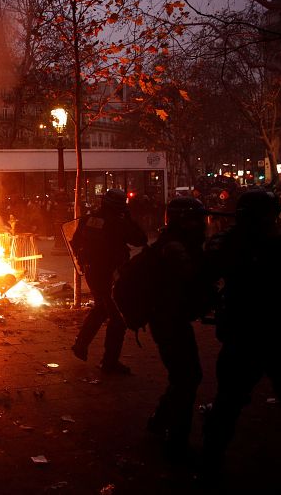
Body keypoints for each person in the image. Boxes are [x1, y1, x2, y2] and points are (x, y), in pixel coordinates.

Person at [200, 189, 281, 486]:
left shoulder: (228, 245)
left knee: (228, 403)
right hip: (280, 338)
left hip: (243, 335)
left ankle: (209, 463)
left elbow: (206, 275)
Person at [146, 197, 214, 458]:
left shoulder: (177, 243)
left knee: (185, 376)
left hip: (171, 318)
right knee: (187, 377)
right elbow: (194, 278)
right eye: (198, 220)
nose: (203, 225)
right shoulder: (175, 248)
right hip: (168, 320)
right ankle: (176, 440)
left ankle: (160, 421)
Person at [70, 188, 147, 374]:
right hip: (111, 275)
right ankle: (109, 363)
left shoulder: (88, 219)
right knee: (118, 320)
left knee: (101, 309)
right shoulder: (118, 223)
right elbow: (141, 239)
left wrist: (83, 259)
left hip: (92, 272)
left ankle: (81, 345)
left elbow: (74, 242)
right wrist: (128, 218)